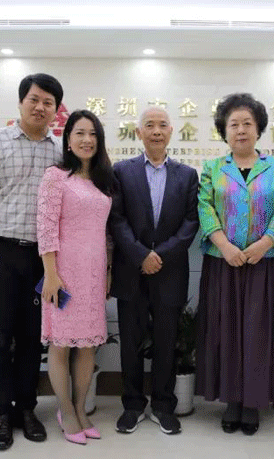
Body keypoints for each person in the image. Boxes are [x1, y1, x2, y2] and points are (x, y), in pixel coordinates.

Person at [0, 73, 64, 451]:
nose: (40, 107)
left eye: (48, 102)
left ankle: (26, 408)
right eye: (34, 99)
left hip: (42, 257)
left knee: (31, 336)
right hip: (1, 251)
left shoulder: (61, 151)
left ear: (56, 110)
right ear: (21, 102)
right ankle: (2, 413)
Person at [196, 93, 274, 435]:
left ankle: (253, 402)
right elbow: (205, 207)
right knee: (225, 332)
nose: (240, 130)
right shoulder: (212, 168)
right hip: (223, 263)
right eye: (234, 124)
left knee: (258, 333)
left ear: (259, 129)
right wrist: (224, 245)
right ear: (224, 131)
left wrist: (265, 243)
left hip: (264, 264)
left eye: (247, 124)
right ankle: (231, 401)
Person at [109, 106, 199, 435]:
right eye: (150, 125)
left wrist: (158, 255)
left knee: (166, 341)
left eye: (163, 125)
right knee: (130, 342)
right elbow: (116, 218)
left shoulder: (187, 175)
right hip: (131, 270)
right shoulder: (121, 171)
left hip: (169, 271)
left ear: (171, 131)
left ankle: (163, 405)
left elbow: (191, 222)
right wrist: (140, 255)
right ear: (139, 133)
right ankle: (132, 405)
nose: (157, 131)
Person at [36, 110, 115, 445]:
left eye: (93, 134)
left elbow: (106, 233)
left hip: (94, 273)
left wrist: (108, 271)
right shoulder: (55, 177)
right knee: (61, 344)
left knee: (88, 346)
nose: (87, 140)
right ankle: (65, 410)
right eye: (80, 133)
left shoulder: (102, 180)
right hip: (63, 273)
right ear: (68, 139)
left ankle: (81, 409)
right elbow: (45, 227)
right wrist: (51, 274)